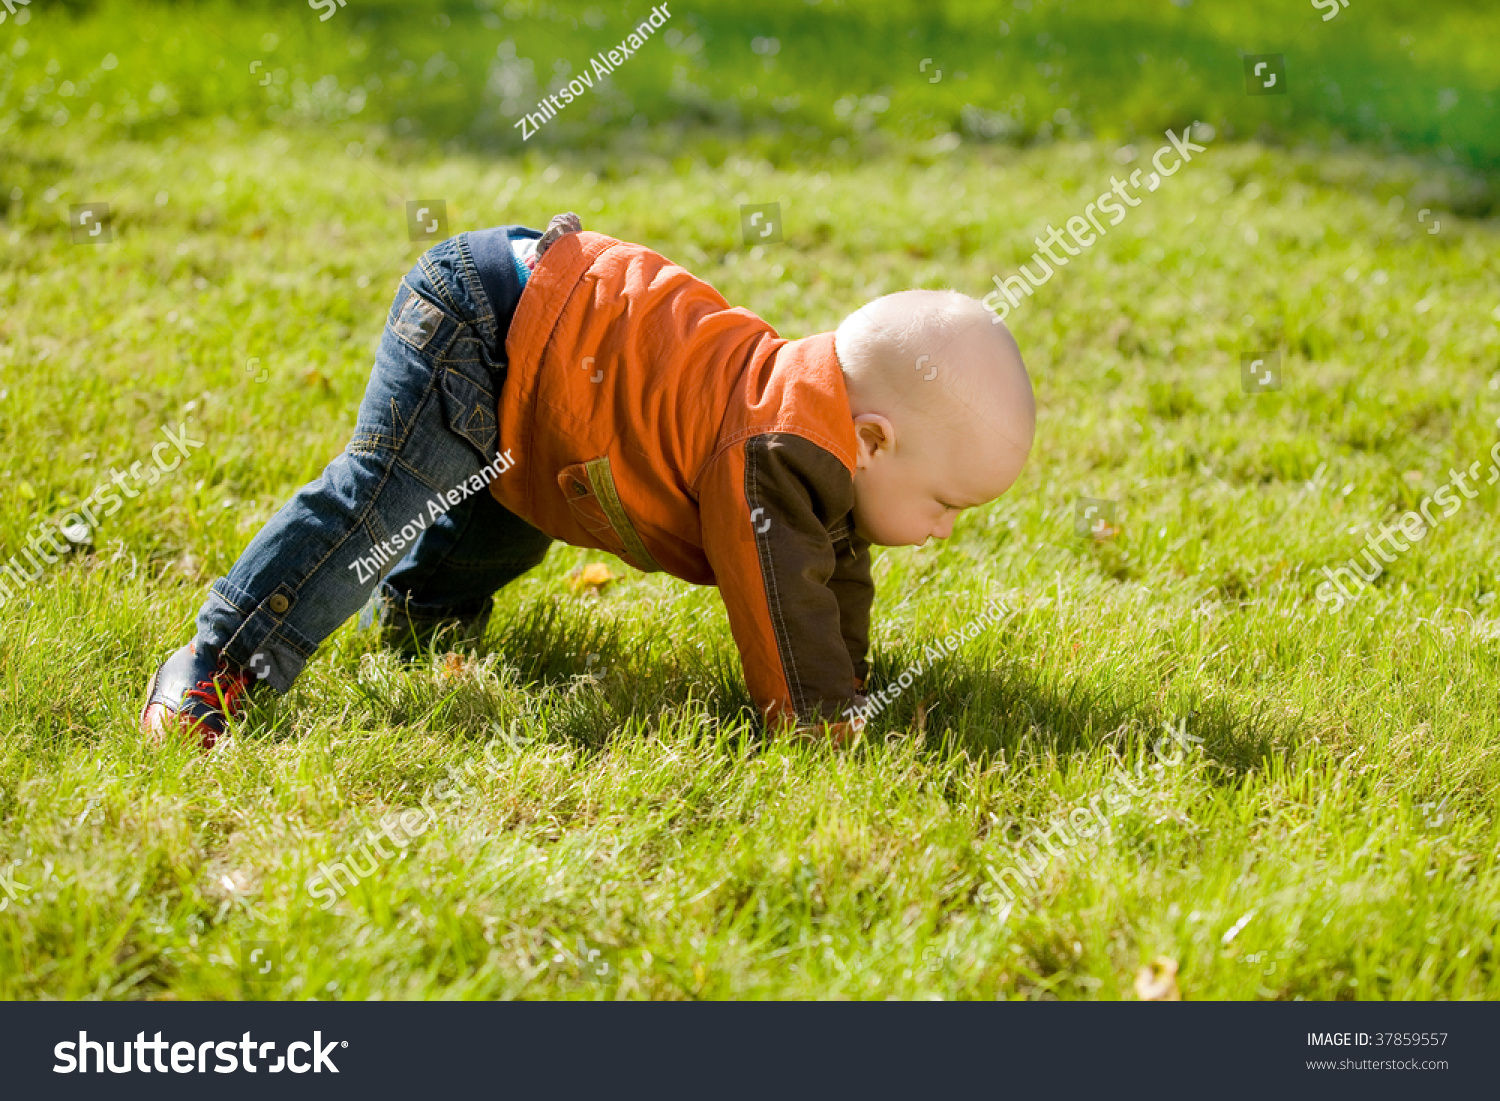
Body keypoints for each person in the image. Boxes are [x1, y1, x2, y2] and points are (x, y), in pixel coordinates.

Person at [141, 214, 1035, 748]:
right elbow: (781, 602)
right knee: (384, 499)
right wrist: (817, 726)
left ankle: (424, 624)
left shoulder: (823, 451)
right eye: (946, 504)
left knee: (501, 515)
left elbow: (829, 580)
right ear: (872, 441)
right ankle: (219, 662)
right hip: (484, 324)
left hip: (545, 395)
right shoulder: (778, 447)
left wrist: (858, 688)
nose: (944, 530)